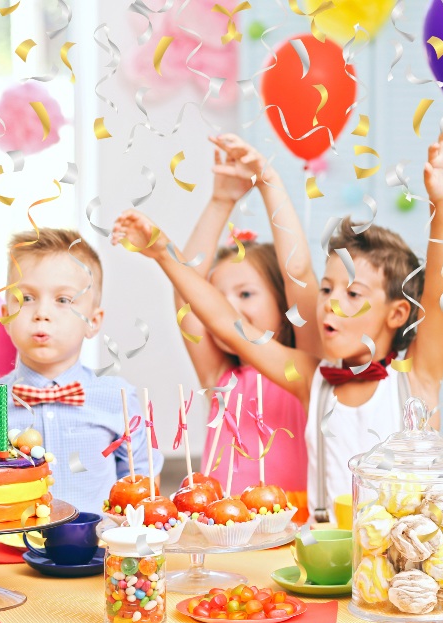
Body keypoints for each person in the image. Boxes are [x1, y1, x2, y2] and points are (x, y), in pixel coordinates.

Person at [114, 126, 443, 522]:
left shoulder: (417, 378)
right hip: (326, 559)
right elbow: (223, 321)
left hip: (405, 568)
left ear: (396, 313)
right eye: (326, 289)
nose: (331, 303)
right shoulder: (310, 379)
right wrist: (164, 254)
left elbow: (441, 292)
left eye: (352, 294)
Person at [117, 134, 309, 518]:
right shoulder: (219, 374)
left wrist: (269, 182)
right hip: (221, 532)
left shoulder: (303, 371)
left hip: (292, 530)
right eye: (218, 299)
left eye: (246, 294)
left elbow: (298, 273)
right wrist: (221, 201)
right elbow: (188, 300)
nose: (227, 309)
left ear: (282, 300)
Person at [0, 229, 162, 515]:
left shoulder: (119, 398)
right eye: (26, 298)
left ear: (93, 321)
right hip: (8, 553)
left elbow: (143, 482)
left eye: (63, 300)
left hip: (97, 553)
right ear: (5, 314)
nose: (42, 312)